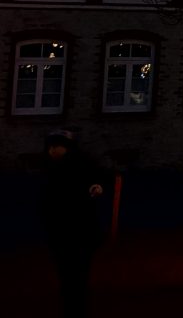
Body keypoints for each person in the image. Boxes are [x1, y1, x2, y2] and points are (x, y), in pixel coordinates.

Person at [40, 130, 105, 318]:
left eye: (55, 147)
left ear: (65, 147)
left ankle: (76, 306)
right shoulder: (54, 167)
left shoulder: (77, 165)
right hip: (65, 230)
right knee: (70, 271)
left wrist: (97, 186)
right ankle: (73, 303)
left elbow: (97, 179)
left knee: (75, 271)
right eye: (50, 147)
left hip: (77, 230)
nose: (51, 151)